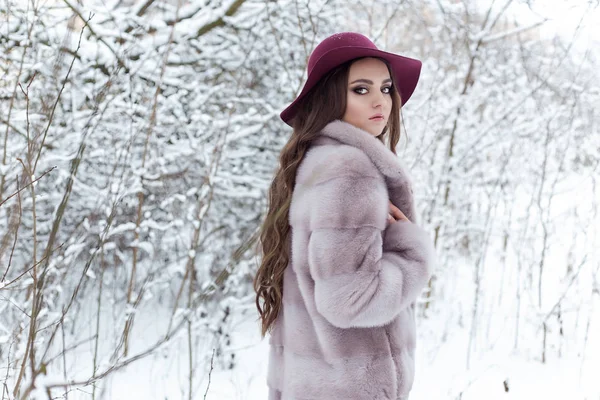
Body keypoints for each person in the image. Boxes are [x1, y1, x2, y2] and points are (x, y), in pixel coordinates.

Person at [253, 32, 437, 400]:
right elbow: (350, 300)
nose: (380, 101)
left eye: (386, 89)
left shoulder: (315, 164)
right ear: (332, 97)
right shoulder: (351, 170)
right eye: (361, 89)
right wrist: (410, 252)